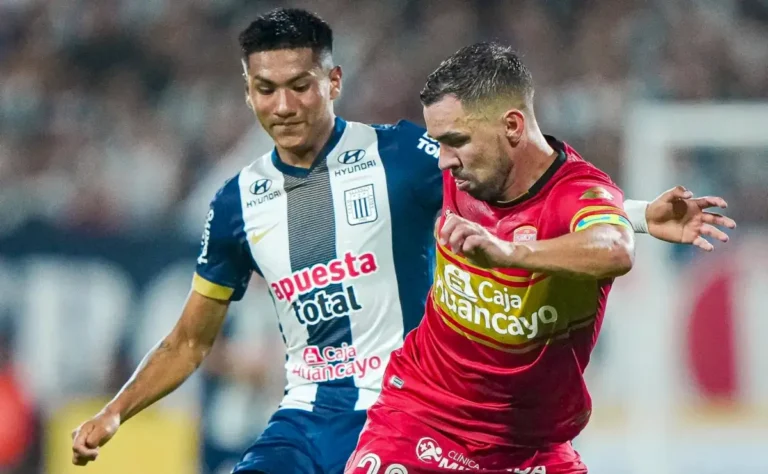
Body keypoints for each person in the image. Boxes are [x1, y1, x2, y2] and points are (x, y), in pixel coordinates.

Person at [71, 10, 734, 474]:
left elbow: (523, 194)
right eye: (266, 90)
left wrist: (634, 215)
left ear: (332, 83)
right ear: (248, 95)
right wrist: (116, 412)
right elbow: (189, 340)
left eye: (300, 86)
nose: (284, 106)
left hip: (413, 405)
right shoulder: (235, 203)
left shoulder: (405, 156)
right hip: (310, 417)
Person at [345, 42, 736, 474]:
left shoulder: (579, 191)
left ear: (512, 126)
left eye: (455, 142)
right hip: (422, 420)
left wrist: (508, 253)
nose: (442, 161)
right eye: (439, 142)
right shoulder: (463, 169)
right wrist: (639, 214)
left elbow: (614, 247)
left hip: (531, 448)